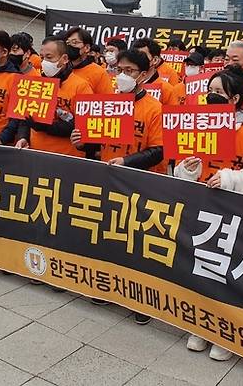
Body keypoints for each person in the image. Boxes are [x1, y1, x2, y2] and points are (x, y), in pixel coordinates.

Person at [174, 66, 243, 361]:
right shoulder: (196, 125)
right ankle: (201, 325)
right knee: (201, 267)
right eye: (210, 91)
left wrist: (230, 179)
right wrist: (187, 170)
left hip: (235, 213)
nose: (211, 96)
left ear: (236, 98)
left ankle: (226, 333)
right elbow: (179, 166)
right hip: (201, 210)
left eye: (219, 93)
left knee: (229, 273)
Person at [70, 49, 163, 326]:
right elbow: (94, 145)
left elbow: (158, 150)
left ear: (144, 75)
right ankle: (107, 286)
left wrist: (128, 161)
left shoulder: (153, 108)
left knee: (139, 241)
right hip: (109, 179)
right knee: (110, 233)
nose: (122, 76)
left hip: (141, 183)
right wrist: (82, 142)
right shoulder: (106, 103)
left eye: (130, 71)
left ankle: (141, 299)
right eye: (118, 70)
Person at [13, 37, 92, 156]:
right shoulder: (35, 83)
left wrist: (45, 126)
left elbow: (81, 126)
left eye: (49, 57)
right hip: (35, 154)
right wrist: (23, 137)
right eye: (42, 57)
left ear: (64, 58)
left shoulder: (81, 86)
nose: (44, 62)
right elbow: (24, 118)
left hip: (65, 157)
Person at [63, 27, 113, 94]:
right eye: (68, 43)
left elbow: (107, 100)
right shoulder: (61, 68)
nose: (70, 46)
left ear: (87, 48)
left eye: (74, 42)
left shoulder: (99, 73)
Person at [132, 38, 179, 106]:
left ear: (155, 60)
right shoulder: (125, 86)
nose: (137, 60)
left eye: (142, 56)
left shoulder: (167, 90)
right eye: (134, 56)